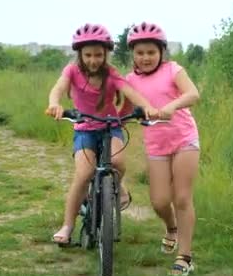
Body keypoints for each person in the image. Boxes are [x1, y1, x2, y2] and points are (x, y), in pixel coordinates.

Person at [45, 23, 158, 245]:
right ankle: (67, 226)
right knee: (83, 174)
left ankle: (119, 186)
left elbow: (131, 93)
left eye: (98, 54)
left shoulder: (111, 74)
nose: (93, 60)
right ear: (80, 54)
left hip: (109, 126)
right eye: (88, 55)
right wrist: (54, 103)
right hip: (84, 128)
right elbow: (58, 88)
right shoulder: (72, 71)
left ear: (106, 53)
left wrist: (148, 108)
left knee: (118, 161)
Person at [123, 22, 200, 276]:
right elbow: (124, 109)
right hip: (156, 144)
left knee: (181, 197)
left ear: (161, 52)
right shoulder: (130, 80)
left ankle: (185, 256)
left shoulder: (173, 70)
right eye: (140, 52)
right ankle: (171, 228)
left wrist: (172, 106)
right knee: (158, 201)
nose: (145, 57)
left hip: (184, 139)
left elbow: (193, 94)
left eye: (151, 52)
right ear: (132, 54)